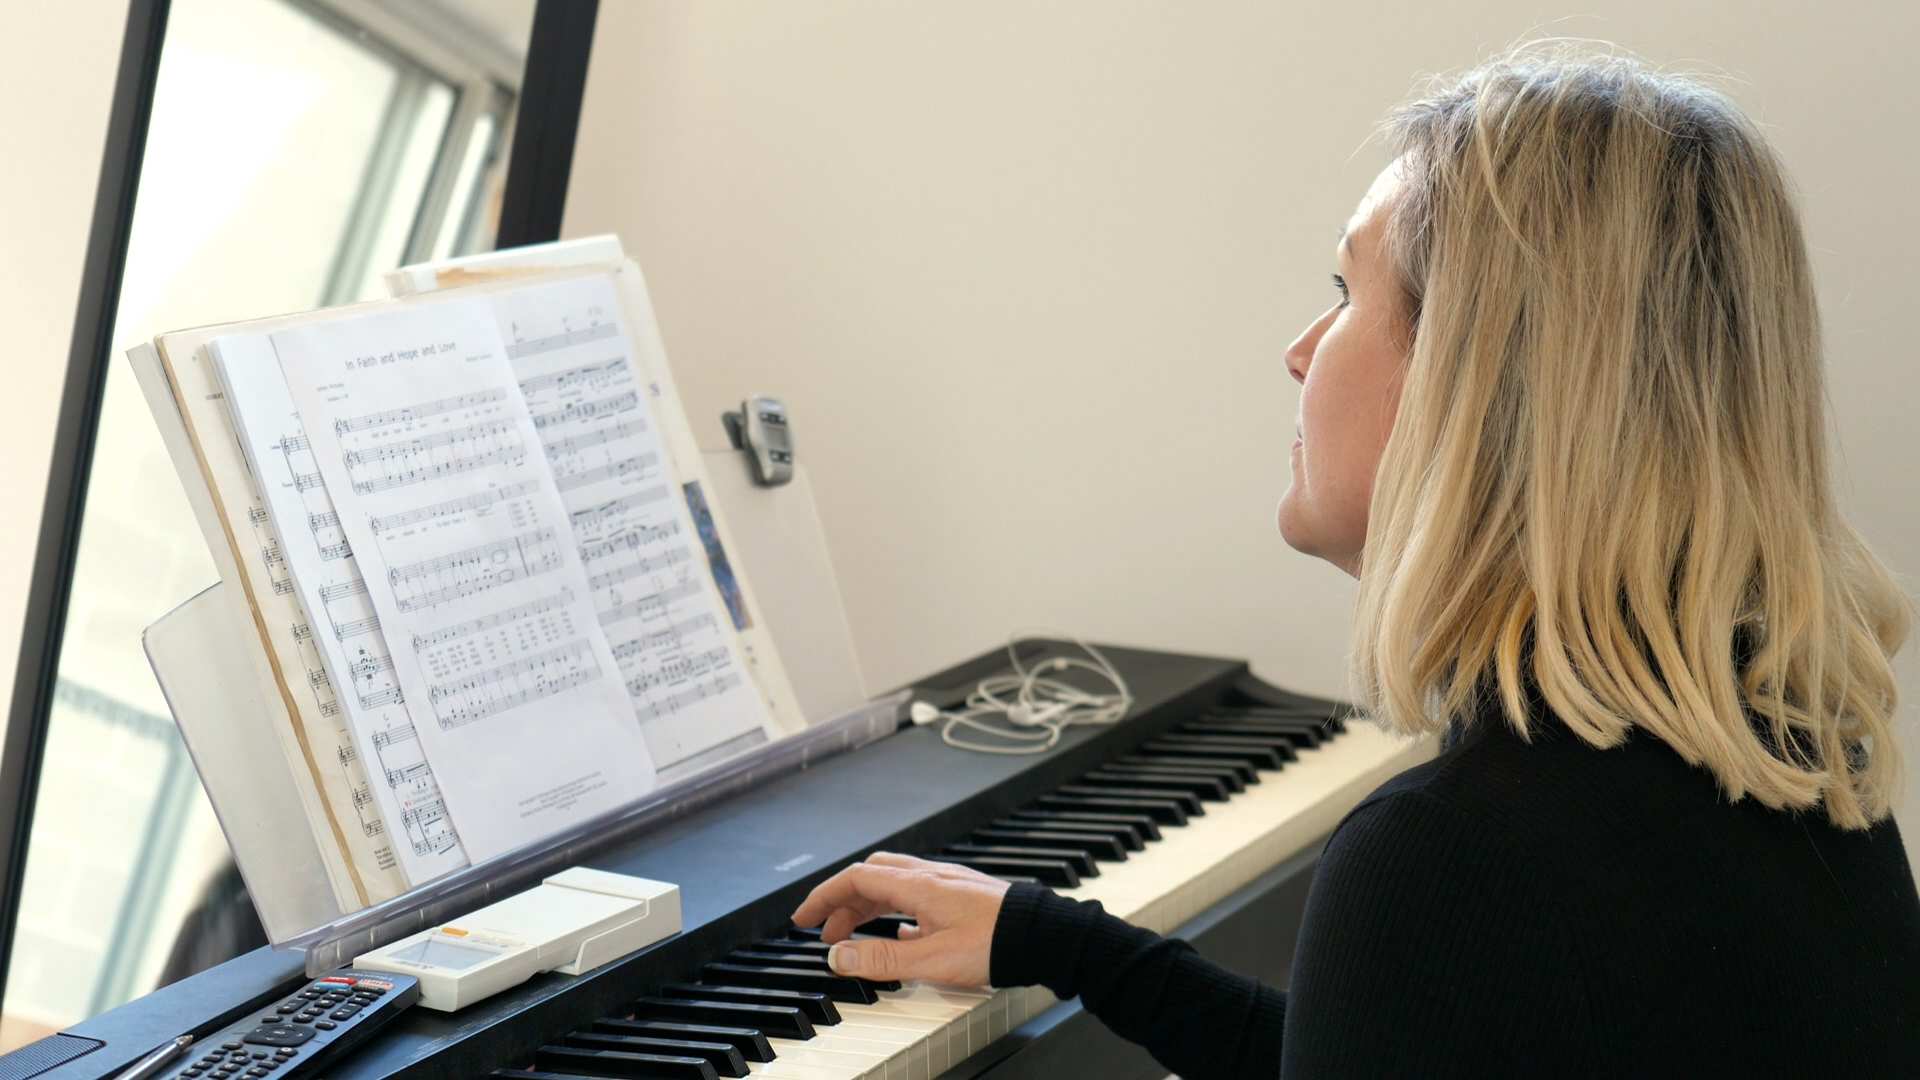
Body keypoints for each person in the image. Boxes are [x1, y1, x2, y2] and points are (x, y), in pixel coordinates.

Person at [791, 42, 1920, 1076]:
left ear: (1476, 381)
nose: (1299, 352)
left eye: (1344, 295)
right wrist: (1063, 943)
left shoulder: (1452, 852)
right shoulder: (1792, 748)